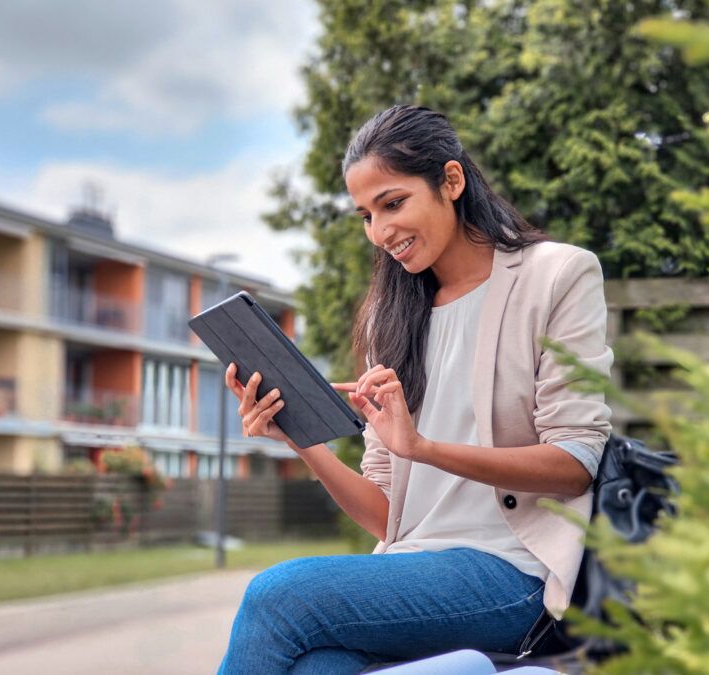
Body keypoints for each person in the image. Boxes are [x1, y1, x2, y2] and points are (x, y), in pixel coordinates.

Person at [218, 105, 613, 674]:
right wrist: (301, 438)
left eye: (393, 203)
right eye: (365, 216)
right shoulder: (391, 316)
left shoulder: (557, 276)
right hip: (414, 571)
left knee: (277, 595)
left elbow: (577, 462)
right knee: (318, 666)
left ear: (450, 181)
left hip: (514, 574)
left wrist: (423, 448)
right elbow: (387, 518)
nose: (380, 233)